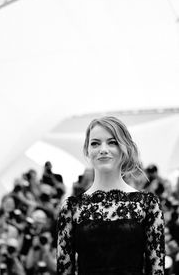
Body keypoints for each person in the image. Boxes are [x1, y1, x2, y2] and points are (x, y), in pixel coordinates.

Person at [57, 116, 165, 275]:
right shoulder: (71, 207)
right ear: (88, 150)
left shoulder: (148, 205)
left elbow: (157, 270)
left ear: (124, 148)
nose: (103, 149)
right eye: (95, 143)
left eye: (112, 142)